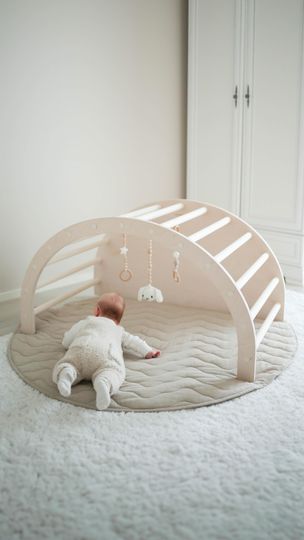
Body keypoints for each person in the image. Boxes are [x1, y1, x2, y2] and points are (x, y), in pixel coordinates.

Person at [52, 292, 160, 410]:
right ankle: (104, 383)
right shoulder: (119, 330)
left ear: (97, 311)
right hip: (106, 356)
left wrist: (66, 342)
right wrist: (148, 351)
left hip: (81, 350)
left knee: (68, 364)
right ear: (118, 320)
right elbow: (134, 341)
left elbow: (67, 341)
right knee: (113, 371)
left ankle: (66, 376)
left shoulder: (87, 321)